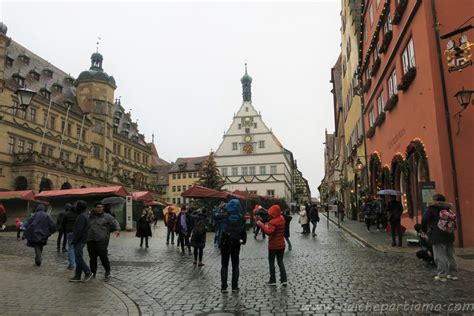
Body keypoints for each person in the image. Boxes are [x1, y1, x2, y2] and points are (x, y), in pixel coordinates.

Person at [422, 193, 458, 281]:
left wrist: (424, 230)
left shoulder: (431, 208)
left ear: (434, 200)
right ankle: (453, 274)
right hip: (449, 234)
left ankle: (442, 275)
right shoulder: (448, 208)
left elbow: (425, 220)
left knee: (440, 256)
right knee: (451, 255)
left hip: (437, 235)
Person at [87, 202, 120, 281]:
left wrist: (117, 229)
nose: (100, 209)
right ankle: (93, 272)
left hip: (102, 239)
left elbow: (115, 222)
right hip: (90, 239)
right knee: (92, 257)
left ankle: (107, 271)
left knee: (103, 256)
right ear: (94, 208)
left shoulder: (107, 216)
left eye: (101, 207)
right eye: (98, 207)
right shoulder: (89, 217)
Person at [220, 199, 247, 293]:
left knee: (224, 265)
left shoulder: (224, 216)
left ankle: (224, 287)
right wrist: (243, 240)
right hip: (236, 243)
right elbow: (243, 230)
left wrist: (221, 209)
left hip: (225, 242)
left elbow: (216, 221)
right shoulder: (241, 217)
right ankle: (234, 287)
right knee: (235, 265)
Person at [257, 204, 287, 287]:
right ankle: (284, 280)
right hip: (282, 244)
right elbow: (271, 213)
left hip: (273, 245)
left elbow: (269, 232)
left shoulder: (273, 222)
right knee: (280, 262)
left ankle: (272, 280)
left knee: (271, 262)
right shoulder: (282, 218)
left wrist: (261, 224)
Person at [70, 200, 93, 282]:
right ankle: (77, 275)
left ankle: (88, 272)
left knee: (78, 258)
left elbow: (79, 230)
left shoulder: (81, 217)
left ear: (79, 207)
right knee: (77, 258)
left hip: (79, 240)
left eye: (76, 206)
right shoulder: (84, 215)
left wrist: (74, 240)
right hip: (81, 239)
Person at [62, 203, 78, 270]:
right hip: (77, 232)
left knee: (71, 248)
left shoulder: (66, 214)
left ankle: (71, 264)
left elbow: (63, 223)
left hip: (69, 232)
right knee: (76, 248)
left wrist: (65, 230)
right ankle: (76, 263)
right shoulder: (78, 215)